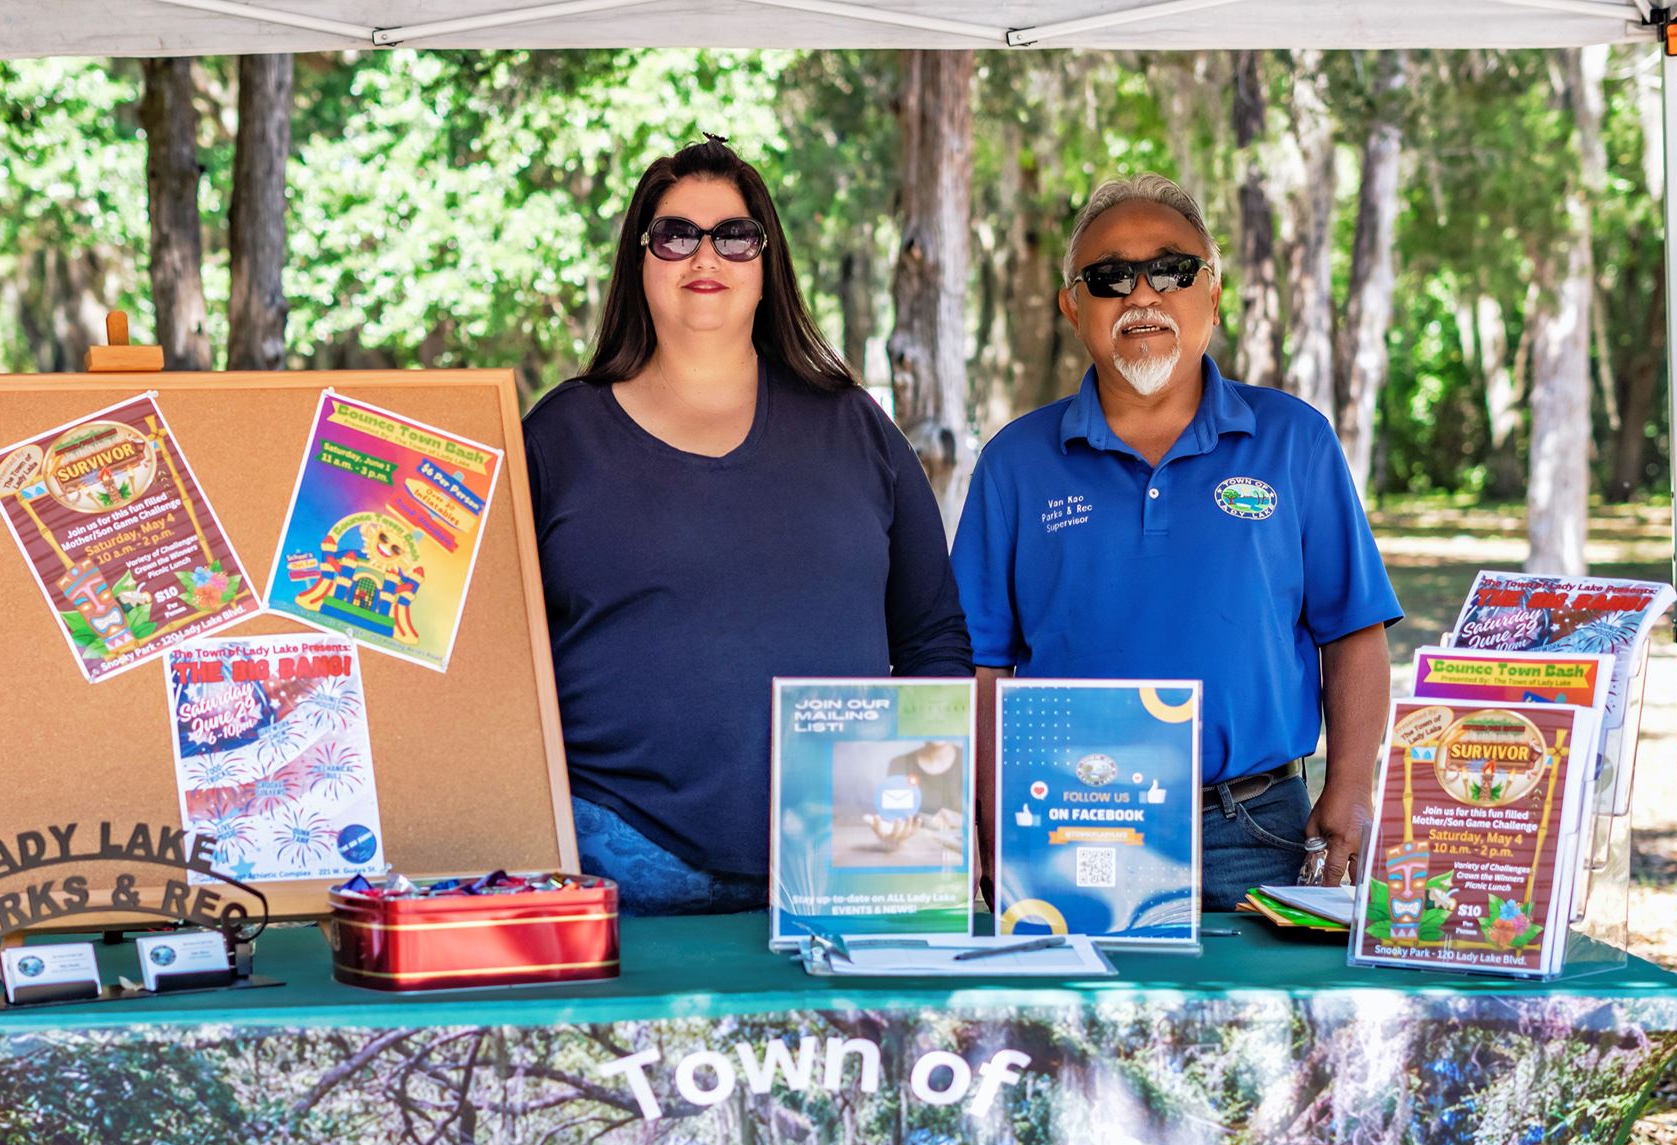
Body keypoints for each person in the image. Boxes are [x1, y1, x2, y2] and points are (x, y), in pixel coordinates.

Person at [525, 137, 972, 915]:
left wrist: (926, 813)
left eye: (735, 235)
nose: (706, 255)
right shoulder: (560, 435)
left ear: (768, 266)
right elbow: (497, 658)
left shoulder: (859, 429)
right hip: (615, 857)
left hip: (849, 859)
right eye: (675, 234)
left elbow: (932, 640)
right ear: (640, 261)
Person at [951, 173, 1400, 909]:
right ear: (1073, 306)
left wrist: (1349, 788)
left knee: (1267, 1026)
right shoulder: (1015, 463)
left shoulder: (1294, 441)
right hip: (1069, 820)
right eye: (1109, 278)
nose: (1142, 295)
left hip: (1254, 829)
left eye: (1172, 270)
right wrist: (991, 813)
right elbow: (983, 664)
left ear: (1213, 295)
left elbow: (1352, 630)